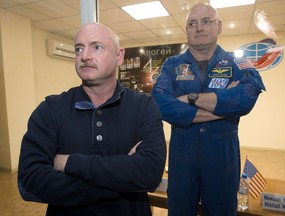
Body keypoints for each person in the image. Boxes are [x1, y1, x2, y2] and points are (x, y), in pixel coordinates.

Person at [18, 22, 166, 216]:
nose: (85, 56)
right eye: (79, 48)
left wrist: (69, 163)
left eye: (96, 47)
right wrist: (119, 182)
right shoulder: (51, 108)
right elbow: (30, 180)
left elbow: (149, 174)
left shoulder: (144, 106)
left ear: (119, 56)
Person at [152, 3, 265, 216]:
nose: (199, 27)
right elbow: (159, 103)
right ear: (187, 30)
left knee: (222, 209)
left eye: (206, 21)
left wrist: (189, 98)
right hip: (182, 155)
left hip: (222, 157)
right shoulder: (171, 65)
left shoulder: (239, 61)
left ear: (219, 26)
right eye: (192, 23)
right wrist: (223, 106)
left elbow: (246, 98)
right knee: (179, 209)